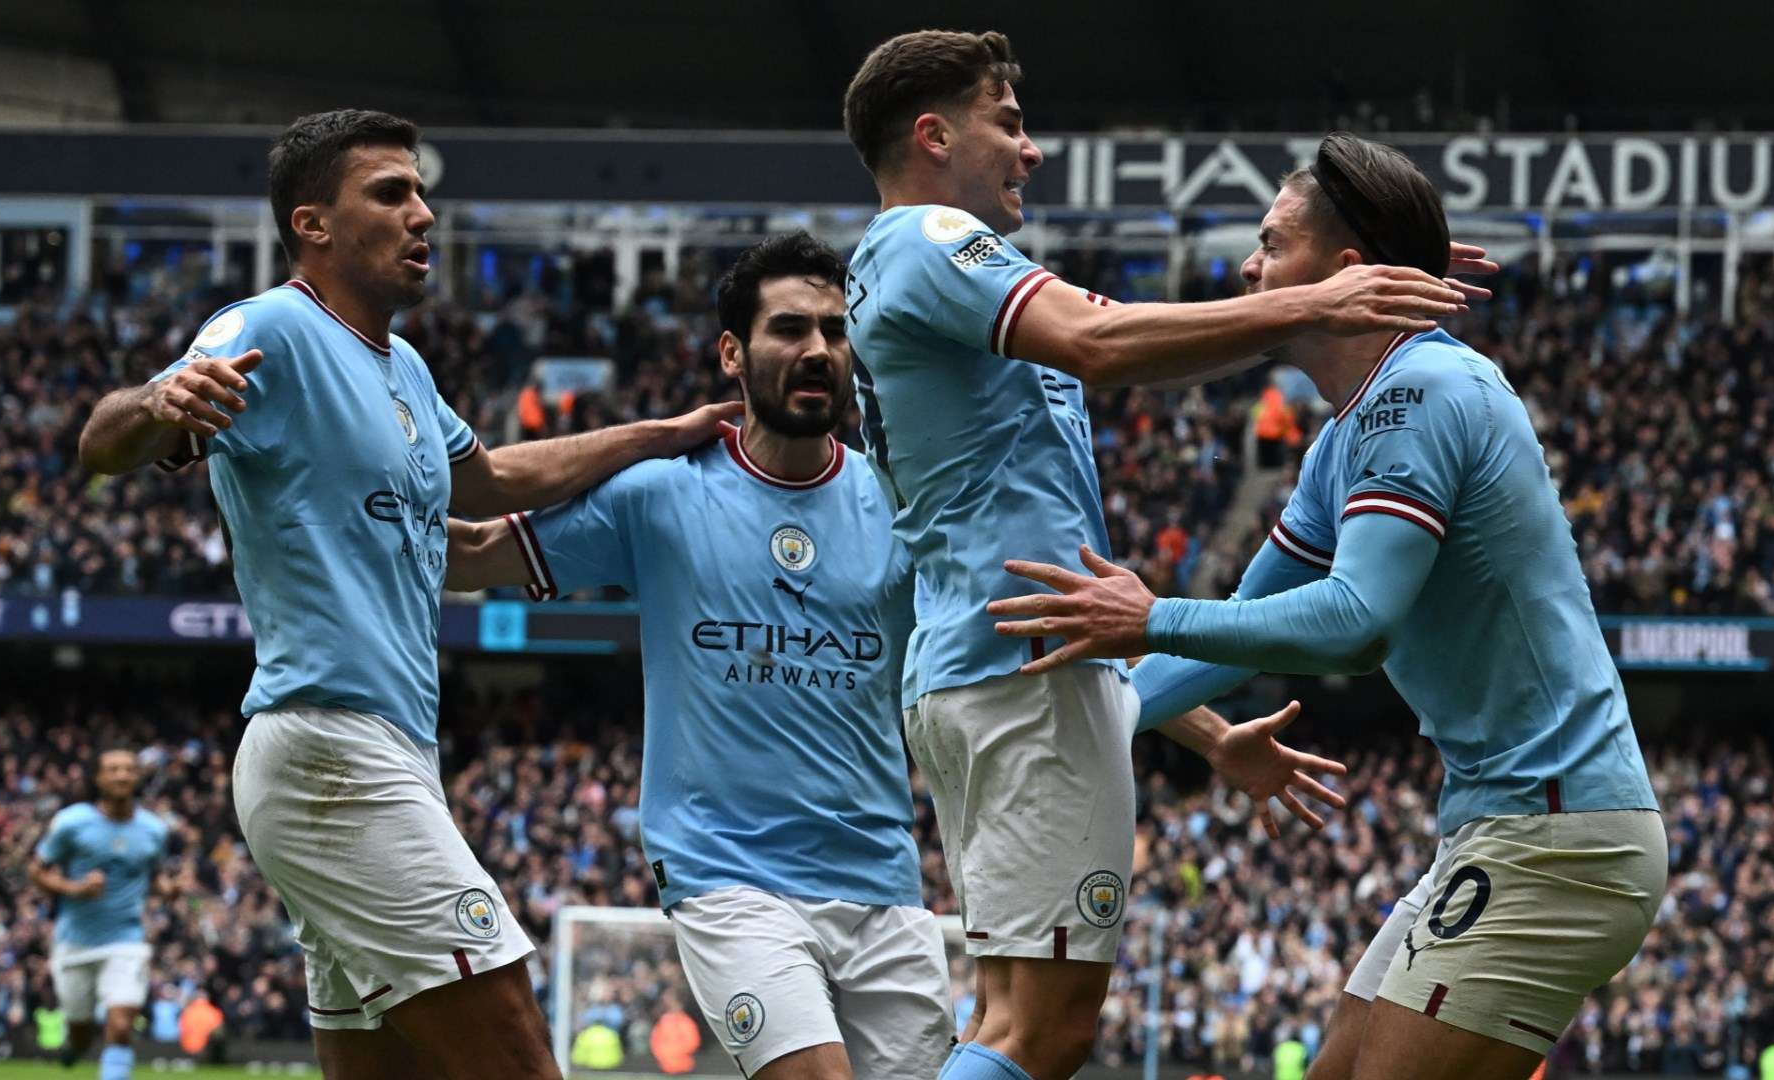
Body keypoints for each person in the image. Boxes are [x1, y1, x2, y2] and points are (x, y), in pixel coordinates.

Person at [445, 233, 1344, 1079]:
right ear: (732, 354)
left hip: (882, 885)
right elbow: (470, 548)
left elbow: (1042, 635)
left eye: (836, 331)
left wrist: (1214, 738)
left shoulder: (903, 501)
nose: (818, 351)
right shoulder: (658, 496)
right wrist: (638, 436)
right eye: (789, 329)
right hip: (731, 883)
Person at [838, 30, 1489, 1080]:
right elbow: (1103, 343)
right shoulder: (928, 242)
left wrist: (1201, 731)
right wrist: (1318, 300)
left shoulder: (898, 273)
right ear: (932, 133)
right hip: (1016, 684)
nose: (1031, 148)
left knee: (1004, 1015)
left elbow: (1039, 581)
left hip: (994, 670)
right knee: (1040, 1032)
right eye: (1008, 121)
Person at [75, 108, 737, 1080]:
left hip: (377, 755)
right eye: (391, 193)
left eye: (422, 191)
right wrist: (159, 403)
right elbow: (103, 439)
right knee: (516, 1049)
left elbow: (494, 482)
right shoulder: (274, 329)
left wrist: (651, 435)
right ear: (314, 224)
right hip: (331, 753)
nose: (423, 214)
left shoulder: (406, 370)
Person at [987, 133, 1665, 1080]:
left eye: (1270, 242)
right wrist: (1078, 709)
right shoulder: (1344, 436)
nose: (1249, 267)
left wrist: (1151, 617)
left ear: (1346, 272)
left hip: (1555, 841)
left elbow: (1355, 619)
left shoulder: (1420, 391)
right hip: (1501, 828)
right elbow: (1233, 643)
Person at [29, 748, 178, 1080]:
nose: (122, 775)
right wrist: (74, 888)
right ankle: (76, 1046)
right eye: (113, 769)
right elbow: (38, 870)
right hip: (74, 942)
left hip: (126, 939)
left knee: (121, 1023)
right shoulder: (71, 822)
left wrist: (168, 889)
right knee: (81, 1030)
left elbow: (152, 876)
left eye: (128, 769)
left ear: (137, 777)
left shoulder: (154, 830)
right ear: (98, 778)